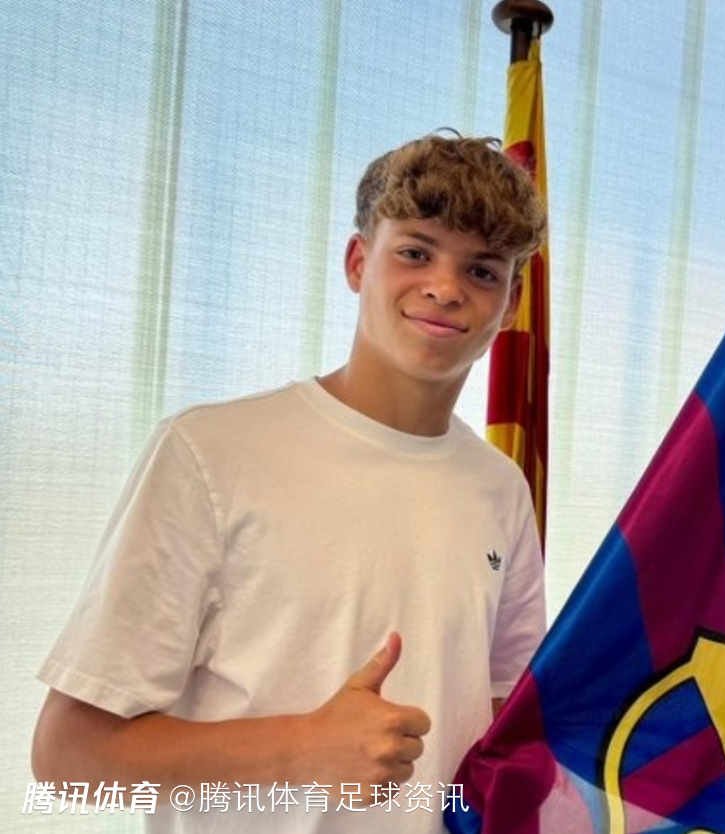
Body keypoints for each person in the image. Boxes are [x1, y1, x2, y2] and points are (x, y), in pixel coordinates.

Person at [31, 133, 548, 833]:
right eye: (415, 252)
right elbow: (67, 757)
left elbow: (504, 721)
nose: (445, 288)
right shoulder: (210, 453)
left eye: (482, 270)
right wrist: (302, 749)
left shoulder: (501, 488)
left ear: (510, 303)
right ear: (358, 262)